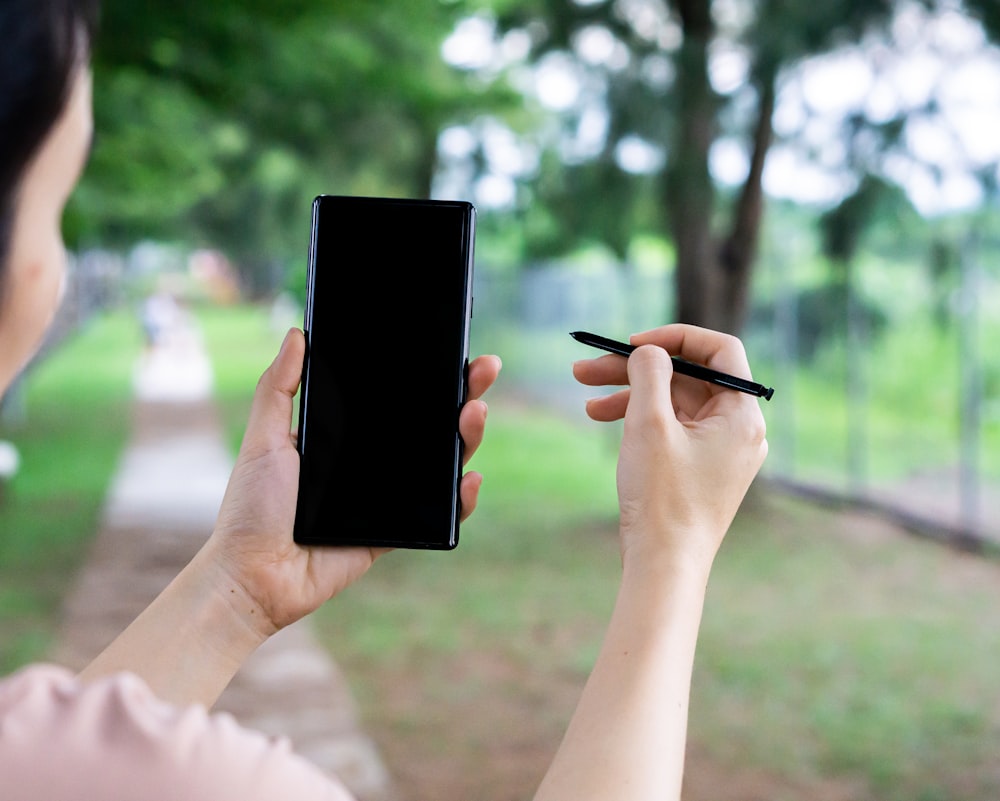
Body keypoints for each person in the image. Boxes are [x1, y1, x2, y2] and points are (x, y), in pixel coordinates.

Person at [0, 1, 768, 799]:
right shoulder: (220, 780)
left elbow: (69, 757)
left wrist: (239, 583)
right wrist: (671, 551)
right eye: (55, 207)